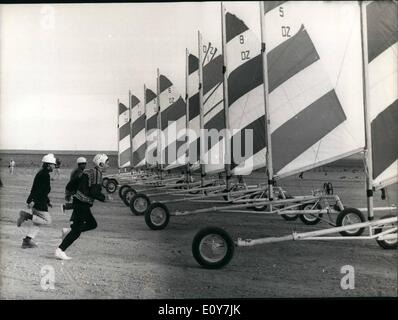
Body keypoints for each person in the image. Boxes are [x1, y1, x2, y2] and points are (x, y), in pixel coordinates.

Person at [55, 153, 109, 260]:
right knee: (77, 231)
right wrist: (105, 198)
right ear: (101, 164)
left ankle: (68, 231)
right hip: (82, 203)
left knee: (92, 224)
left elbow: (72, 183)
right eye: (107, 163)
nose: (108, 165)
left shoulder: (88, 171)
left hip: (79, 201)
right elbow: (94, 192)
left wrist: (69, 193)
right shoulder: (97, 174)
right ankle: (60, 250)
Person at [17, 153, 57, 249]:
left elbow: (41, 190)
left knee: (37, 223)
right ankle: (26, 216)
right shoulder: (45, 175)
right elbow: (40, 191)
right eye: (52, 164)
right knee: (47, 221)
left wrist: (47, 201)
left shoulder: (42, 173)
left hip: (37, 200)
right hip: (38, 202)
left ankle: (27, 241)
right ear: (48, 165)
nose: (54, 166)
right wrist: (34, 201)